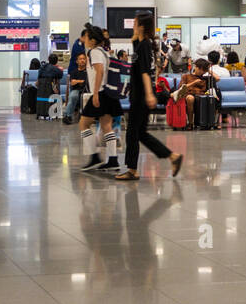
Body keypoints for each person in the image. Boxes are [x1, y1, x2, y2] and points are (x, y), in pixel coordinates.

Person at [114, 11, 184, 184]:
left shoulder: (144, 45)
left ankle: (132, 170)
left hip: (141, 96)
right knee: (141, 134)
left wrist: (149, 94)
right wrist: (136, 35)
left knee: (133, 133)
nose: (132, 25)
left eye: (135, 22)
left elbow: (145, 72)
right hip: (139, 94)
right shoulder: (141, 44)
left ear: (142, 26)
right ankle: (172, 156)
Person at [77, 25, 121, 172]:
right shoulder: (104, 51)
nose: (84, 40)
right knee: (106, 126)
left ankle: (94, 156)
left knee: (83, 123)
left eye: (87, 37)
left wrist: (95, 94)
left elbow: (100, 72)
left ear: (93, 40)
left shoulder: (95, 52)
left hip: (101, 93)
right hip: (108, 92)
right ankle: (113, 160)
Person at [62, 50, 87, 124]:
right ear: (77, 61)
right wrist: (81, 81)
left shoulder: (88, 71)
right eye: (80, 59)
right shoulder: (74, 72)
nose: (82, 60)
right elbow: (72, 83)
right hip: (76, 90)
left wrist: (77, 81)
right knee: (73, 96)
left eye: (84, 59)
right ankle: (67, 116)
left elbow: (86, 82)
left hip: (86, 90)